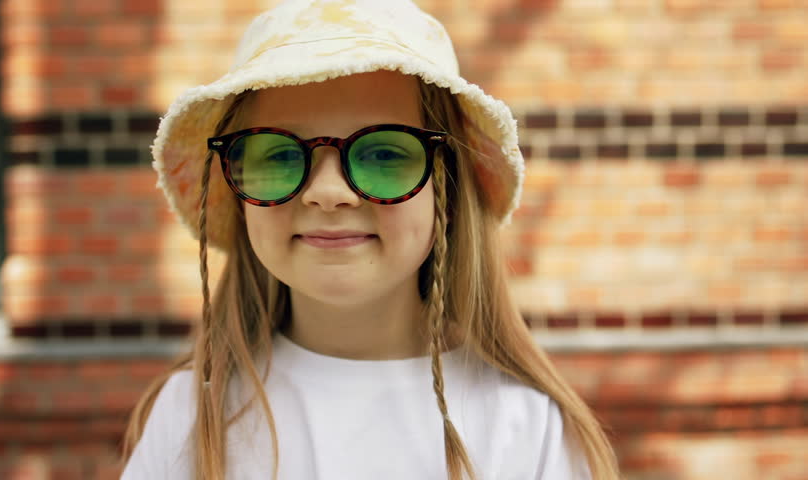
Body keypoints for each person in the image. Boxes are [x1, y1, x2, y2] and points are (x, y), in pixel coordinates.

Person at [121, 0, 619, 479]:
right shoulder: (190, 419)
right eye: (277, 156)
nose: (328, 192)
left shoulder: (523, 426)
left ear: (446, 189)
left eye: (383, 154)